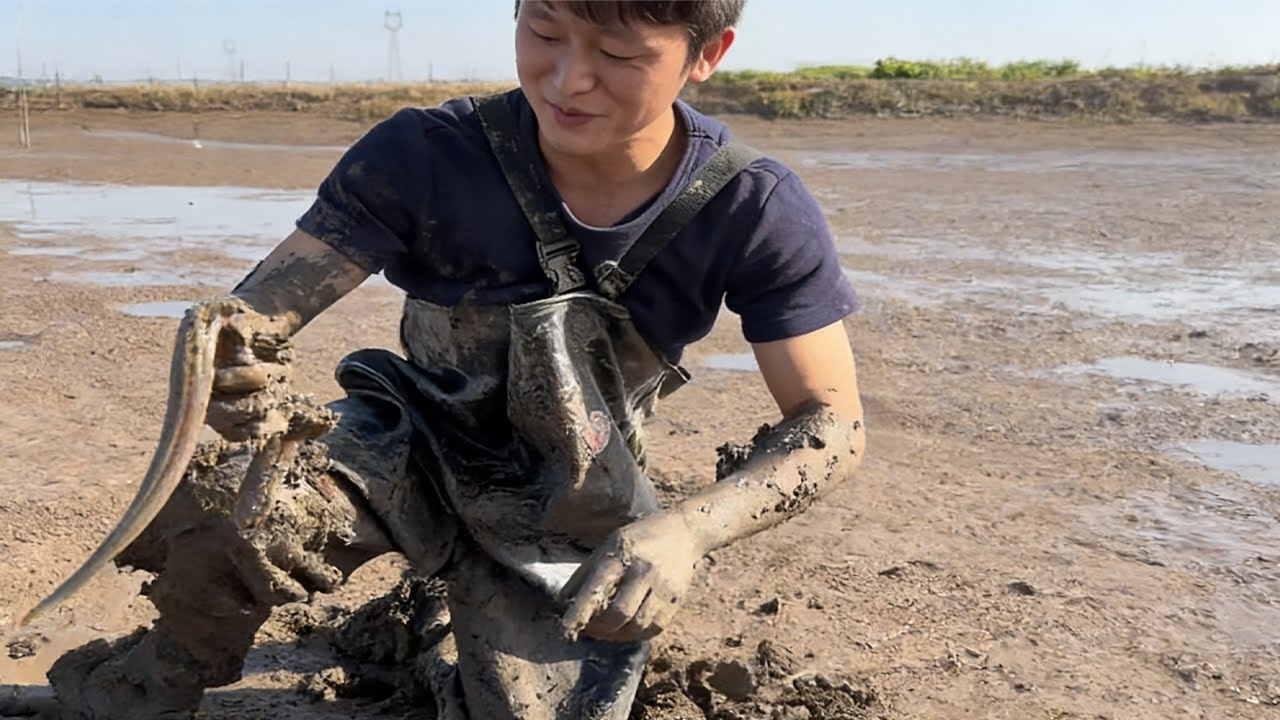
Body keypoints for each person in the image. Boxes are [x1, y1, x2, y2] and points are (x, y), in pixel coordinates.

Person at [48, 1, 865, 718]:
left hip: (574, 495)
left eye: (620, 57)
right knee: (239, 509)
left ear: (706, 55)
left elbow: (831, 425)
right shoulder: (425, 153)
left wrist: (686, 528)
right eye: (544, 31)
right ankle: (149, 680)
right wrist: (228, 367)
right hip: (406, 444)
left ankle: (442, 627)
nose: (569, 81)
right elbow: (257, 316)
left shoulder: (750, 205)